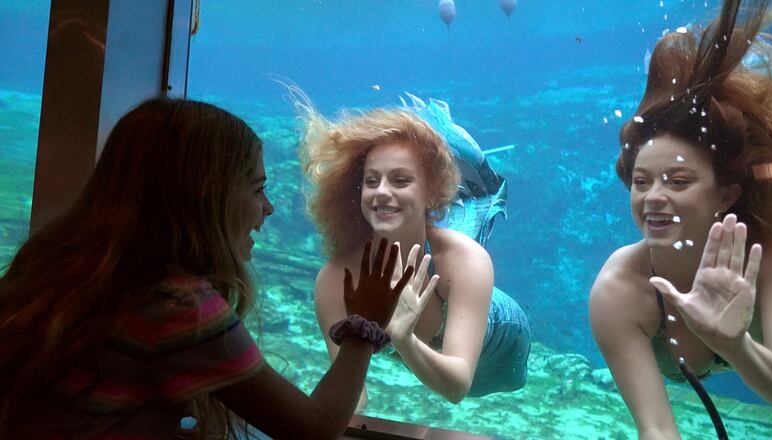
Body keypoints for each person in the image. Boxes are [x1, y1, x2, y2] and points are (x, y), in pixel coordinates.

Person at [0, 97, 415, 439]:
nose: (268, 207)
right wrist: (364, 327)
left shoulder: (58, 259)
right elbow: (313, 429)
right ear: (204, 197)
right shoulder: (177, 305)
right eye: (256, 188)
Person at [589, 0, 772, 438]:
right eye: (641, 182)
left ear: (726, 194)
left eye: (677, 181)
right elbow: (658, 429)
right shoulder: (620, 289)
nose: (653, 197)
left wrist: (735, 345)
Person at [296, 94, 531, 407]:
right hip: (432, 364)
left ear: (431, 191)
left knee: (516, 381)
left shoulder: (465, 260)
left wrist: (404, 339)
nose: (381, 192)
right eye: (371, 180)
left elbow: (457, 387)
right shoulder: (335, 279)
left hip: (505, 343)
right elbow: (353, 395)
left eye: (400, 180)